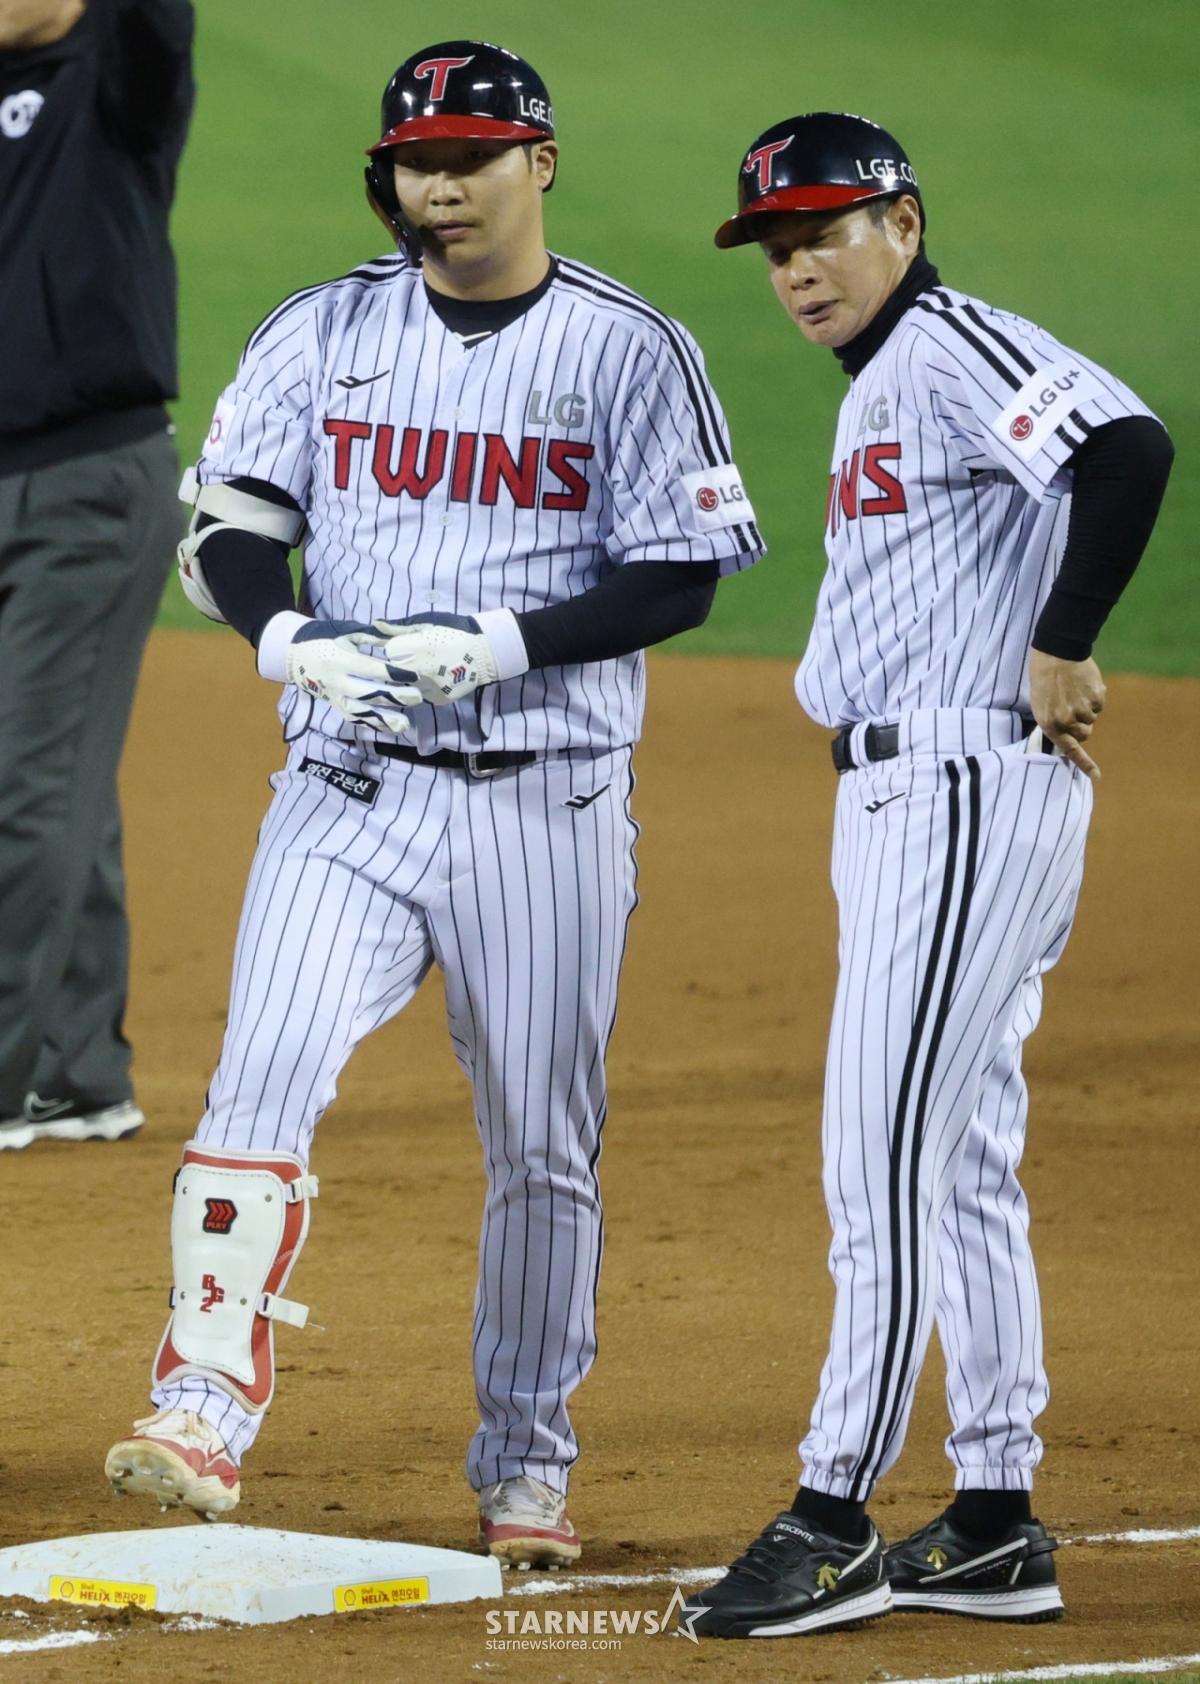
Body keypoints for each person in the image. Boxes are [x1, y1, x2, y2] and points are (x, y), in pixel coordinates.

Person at [103, 41, 763, 1565]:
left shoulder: (627, 349)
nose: (439, 185)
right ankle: (202, 1399)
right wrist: (287, 636)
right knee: (256, 1080)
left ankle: (526, 1460)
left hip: (546, 808)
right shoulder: (323, 330)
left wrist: (504, 643)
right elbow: (235, 534)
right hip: (346, 789)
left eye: (471, 156)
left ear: (540, 163)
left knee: (541, 1146)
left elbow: (681, 570)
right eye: (415, 159)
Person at [682, 113, 1173, 1638]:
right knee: (953, 1158)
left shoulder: (950, 342)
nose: (801, 266)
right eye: (777, 247)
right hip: (927, 793)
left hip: (961, 785)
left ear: (902, 220)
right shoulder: (890, 380)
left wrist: (1065, 640)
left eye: (826, 230)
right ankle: (995, 1519)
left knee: (876, 1158)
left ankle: (832, 1518)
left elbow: (1127, 447)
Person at [0, 0, 193, 1151]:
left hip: (81, 481)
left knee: (24, 790)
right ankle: (71, 1069)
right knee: (50, 772)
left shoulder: (118, 77)